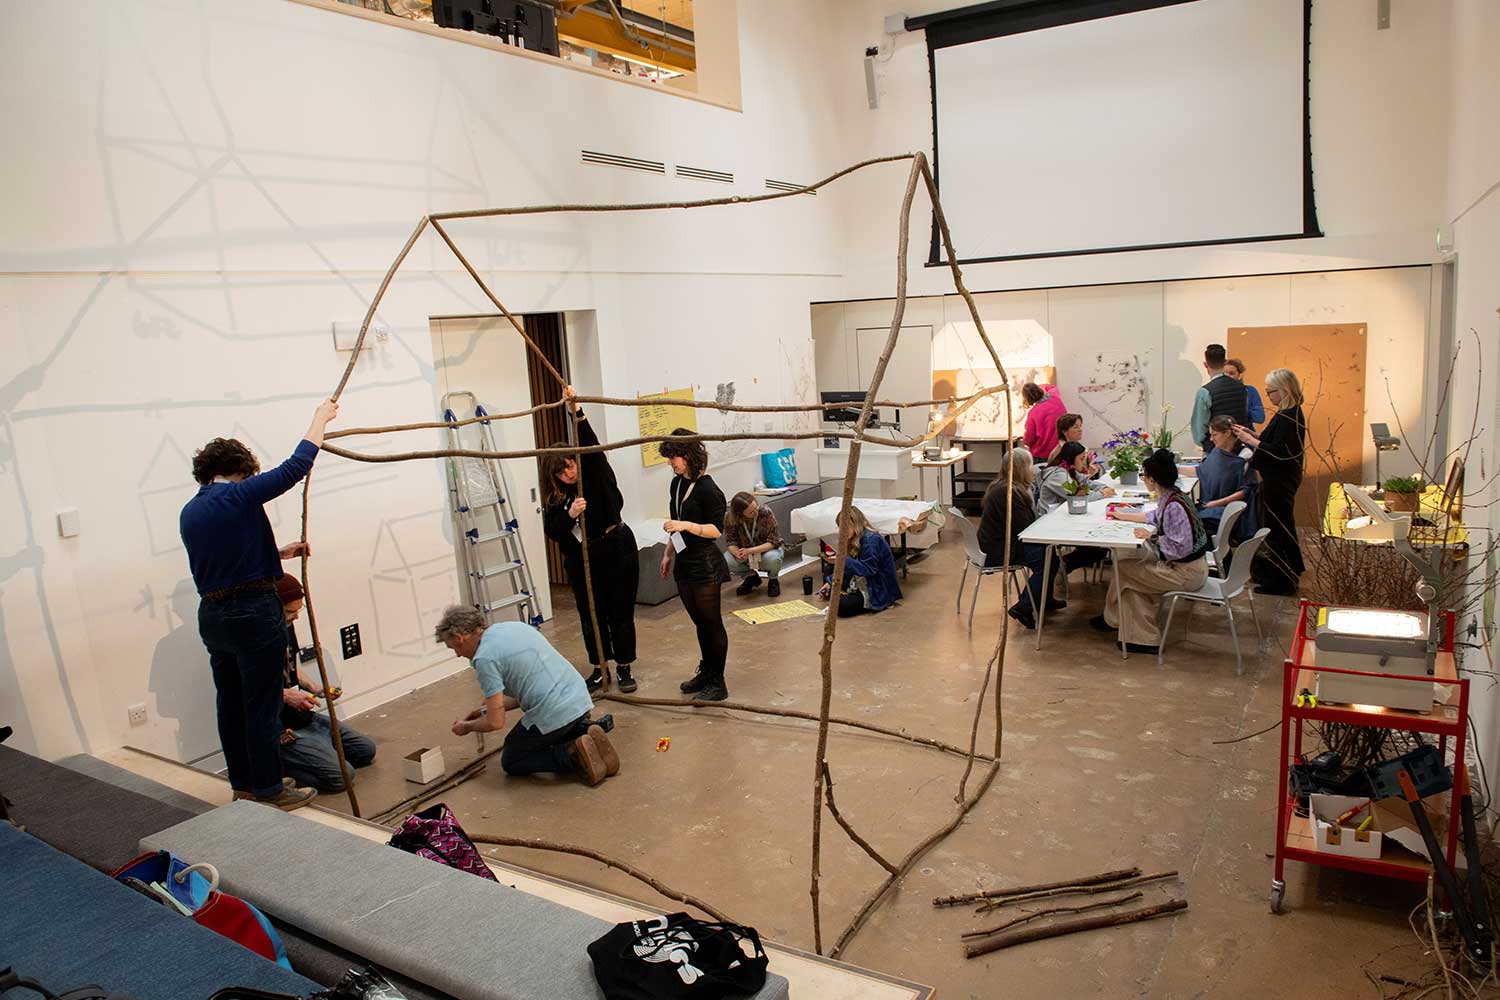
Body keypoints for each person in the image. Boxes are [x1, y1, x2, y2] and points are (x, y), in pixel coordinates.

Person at [179, 399, 339, 812]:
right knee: (262, 705)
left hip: (214, 616)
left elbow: (226, 562)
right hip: (250, 614)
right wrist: (320, 419)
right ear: (240, 471)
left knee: (230, 704)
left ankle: (245, 786)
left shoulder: (192, 510)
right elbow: (294, 467)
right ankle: (270, 788)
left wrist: (277, 553)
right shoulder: (234, 496)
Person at [435, 605, 619, 786]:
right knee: (549, 733)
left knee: (512, 759)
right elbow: (528, 689)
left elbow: (495, 722)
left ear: (461, 638)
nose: (458, 655)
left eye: (454, 648)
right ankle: (586, 731)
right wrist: (487, 709)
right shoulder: (513, 627)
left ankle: (572, 754)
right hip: (578, 699)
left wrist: (467, 727)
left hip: (554, 711)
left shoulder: (484, 658)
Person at [541, 386, 640, 694]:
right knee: (590, 615)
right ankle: (600, 667)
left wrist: (577, 411)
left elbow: (591, 446)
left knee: (620, 612)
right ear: (554, 475)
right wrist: (569, 513)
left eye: (571, 464)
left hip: (617, 547)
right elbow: (553, 530)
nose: (569, 473)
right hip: (584, 559)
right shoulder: (558, 498)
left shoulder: (594, 472)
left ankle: (624, 666)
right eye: (562, 471)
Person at [1091, 448, 1212, 654]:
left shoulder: (1173, 506)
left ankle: (1112, 619)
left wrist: (1152, 537)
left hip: (1186, 573)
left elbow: (1178, 549)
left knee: (1123, 569)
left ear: (1152, 480)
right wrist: (1124, 515)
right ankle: (1141, 638)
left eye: (1144, 476)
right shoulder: (1174, 496)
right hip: (1191, 568)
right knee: (1131, 585)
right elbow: (1154, 516)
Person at [273, 574, 376, 793]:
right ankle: (279, 768)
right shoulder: (254, 639)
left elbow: (289, 667)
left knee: (365, 751)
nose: (296, 617)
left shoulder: (285, 626)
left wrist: (315, 688)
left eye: (298, 611)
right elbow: (245, 688)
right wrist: (285, 695)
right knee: (343, 777)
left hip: (304, 718)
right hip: (283, 730)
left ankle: (318, 751)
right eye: (290, 612)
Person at [658, 429, 731, 702]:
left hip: (705, 563)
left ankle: (717, 681)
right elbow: (675, 521)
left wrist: (687, 525)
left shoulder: (709, 489)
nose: (670, 463)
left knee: (712, 623)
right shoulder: (677, 483)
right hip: (684, 561)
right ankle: (707, 672)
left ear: (687, 455)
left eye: (673, 457)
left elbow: (716, 530)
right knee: (700, 623)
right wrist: (667, 553)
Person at [1234, 368, 1307, 596]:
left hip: (1280, 480)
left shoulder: (1289, 416)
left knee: (1278, 530)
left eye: (1270, 392)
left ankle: (1282, 581)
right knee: (1279, 528)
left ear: (1283, 390)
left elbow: (1279, 451)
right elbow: (1274, 441)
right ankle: (1285, 573)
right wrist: (1253, 435)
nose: (1268, 396)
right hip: (1279, 478)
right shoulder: (1287, 413)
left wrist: (1250, 441)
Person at [976, 448, 1063, 629]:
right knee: (1046, 559)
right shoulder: (1007, 493)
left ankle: (1043, 599)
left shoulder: (1007, 487)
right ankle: (1024, 607)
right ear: (1022, 468)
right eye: (1030, 466)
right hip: (1000, 549)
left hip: (1003, 542)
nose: (1033, 470)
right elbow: (1024, 529)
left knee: (1051, 554)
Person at [819, 506, 901, 617]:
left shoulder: (870, 540)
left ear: (855, 524)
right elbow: (849, 567)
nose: (841, 531)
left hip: (876, 588)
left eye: (844, 527)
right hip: (860, 581)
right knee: (828, 570)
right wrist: (829, 582)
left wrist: (844, 560)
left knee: (841, 605)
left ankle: (856, 599)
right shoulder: (854, 538)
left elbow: (869, 569)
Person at [1197, 416, 1255, 538]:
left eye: (1215, 435)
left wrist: (1216, 503)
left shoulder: (1244, 456)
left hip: (1228, 511)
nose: (1212, 439)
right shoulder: (1217, 452)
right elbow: (1202, 471)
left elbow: (1246, 491)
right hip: (1212, 506)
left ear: (1227, 433)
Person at [723, 492, 785, 599]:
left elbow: (774, 541)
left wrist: (751, 551)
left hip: (766, 550)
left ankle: (773, 580)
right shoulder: (730, 518)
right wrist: (738, 553)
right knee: (727, 560)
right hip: (745, 552)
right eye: (751, 512)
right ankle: (751, 578)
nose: (756, 512)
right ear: (740, 514)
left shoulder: (765, 512)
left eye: (756, 507)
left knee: (772, 559)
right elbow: (730, 541)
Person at [1190, 344, 1249, 453]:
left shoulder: (1205, 392)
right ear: (1224, 362)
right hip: (1238, 447)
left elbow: (1199, 429)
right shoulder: (1241, 388)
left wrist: (1205, 443)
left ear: (1205, 364)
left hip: (1215, 450)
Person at [1038, 442, 1116, 512]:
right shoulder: (1057, 475)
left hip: (1065, 511)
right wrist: (1103, 494)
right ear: (1071, 459)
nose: (1084, 463)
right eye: (1081, 459)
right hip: (1050, 516)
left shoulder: (1069, 469)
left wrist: (1103, 488)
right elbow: (1078, 496)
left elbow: (1086, 482)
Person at [1020, 382, 1068, 460]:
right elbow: (1051, 387)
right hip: (1060, 450)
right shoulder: (1055, 396)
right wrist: (1036, 387)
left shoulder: (1033, 413)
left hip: (1042, 454)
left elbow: (1029, 438)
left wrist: (1025, 440)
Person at [1224, 358, 1265, 430]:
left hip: (1246, 432)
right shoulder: (1217, 392)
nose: (1227, 377)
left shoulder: (1250, 391)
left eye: (1231, 373)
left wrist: (1242, 411)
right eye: (1224, 374)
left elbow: (1260, 417)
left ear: (1240, 375)